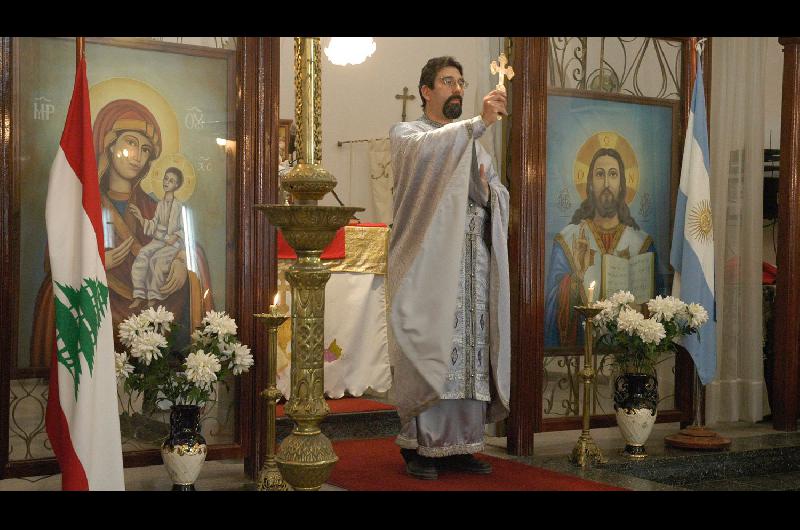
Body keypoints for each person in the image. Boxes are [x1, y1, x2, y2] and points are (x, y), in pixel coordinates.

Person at [387, 56, 511, 480]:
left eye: (460, 81)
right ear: (426, 91)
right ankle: (421, 447)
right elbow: (430, 157)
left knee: (470, 351)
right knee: (432, 346)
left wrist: (486, 191)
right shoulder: (408, 136)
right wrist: (478, 124)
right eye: (447, 81)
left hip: (471, 265)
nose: (457, 88)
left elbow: (493, 192)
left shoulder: (475, 143)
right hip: (428, 268)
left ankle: (461, 445)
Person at [544, 147, 658, 348]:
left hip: (625, 357)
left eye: (613, 175)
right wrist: (576, 278)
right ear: (589, 183)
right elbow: (551, 306)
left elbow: (660, 305)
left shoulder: (642, 243)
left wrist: (641, 309)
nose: (606, 183)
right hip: (579, 353)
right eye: (600, 175)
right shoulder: (568, 239)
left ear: (622, 183)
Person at [128, 167, 186, 309]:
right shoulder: (160, 204)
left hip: (172, 244)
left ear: (177, 185)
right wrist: (141, 218)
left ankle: (154, 296)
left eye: (171, 181)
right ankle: (139, 294)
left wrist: (175, 236)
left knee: (156, 260)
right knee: (143, 254)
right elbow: (154, 224)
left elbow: (183, 229)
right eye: (166, 178)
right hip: (159, 240)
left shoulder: (178, 206)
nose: (167, 182)